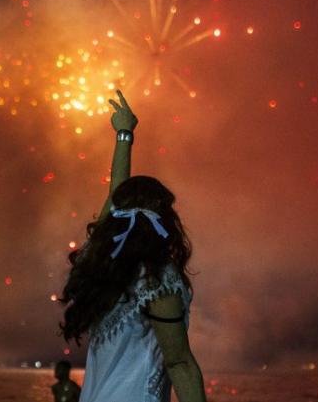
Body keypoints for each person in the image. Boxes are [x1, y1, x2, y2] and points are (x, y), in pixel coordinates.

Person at [59, 89, 206, 402]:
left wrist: (124, 134)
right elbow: (179, 362)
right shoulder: (157, 281)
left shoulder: (99, 268)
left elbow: (116, 197)